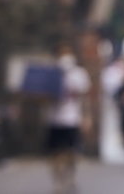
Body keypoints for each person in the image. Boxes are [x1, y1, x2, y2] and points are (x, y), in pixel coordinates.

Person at [47, 48, 91, 194]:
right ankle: (58, 182)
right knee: (55, 154)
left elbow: (85, 98)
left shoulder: (78, 75)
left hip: (72, 120)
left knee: (72, 152)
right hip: (54, 120)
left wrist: (86, 117)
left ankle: (70, 178)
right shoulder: (52, 75)